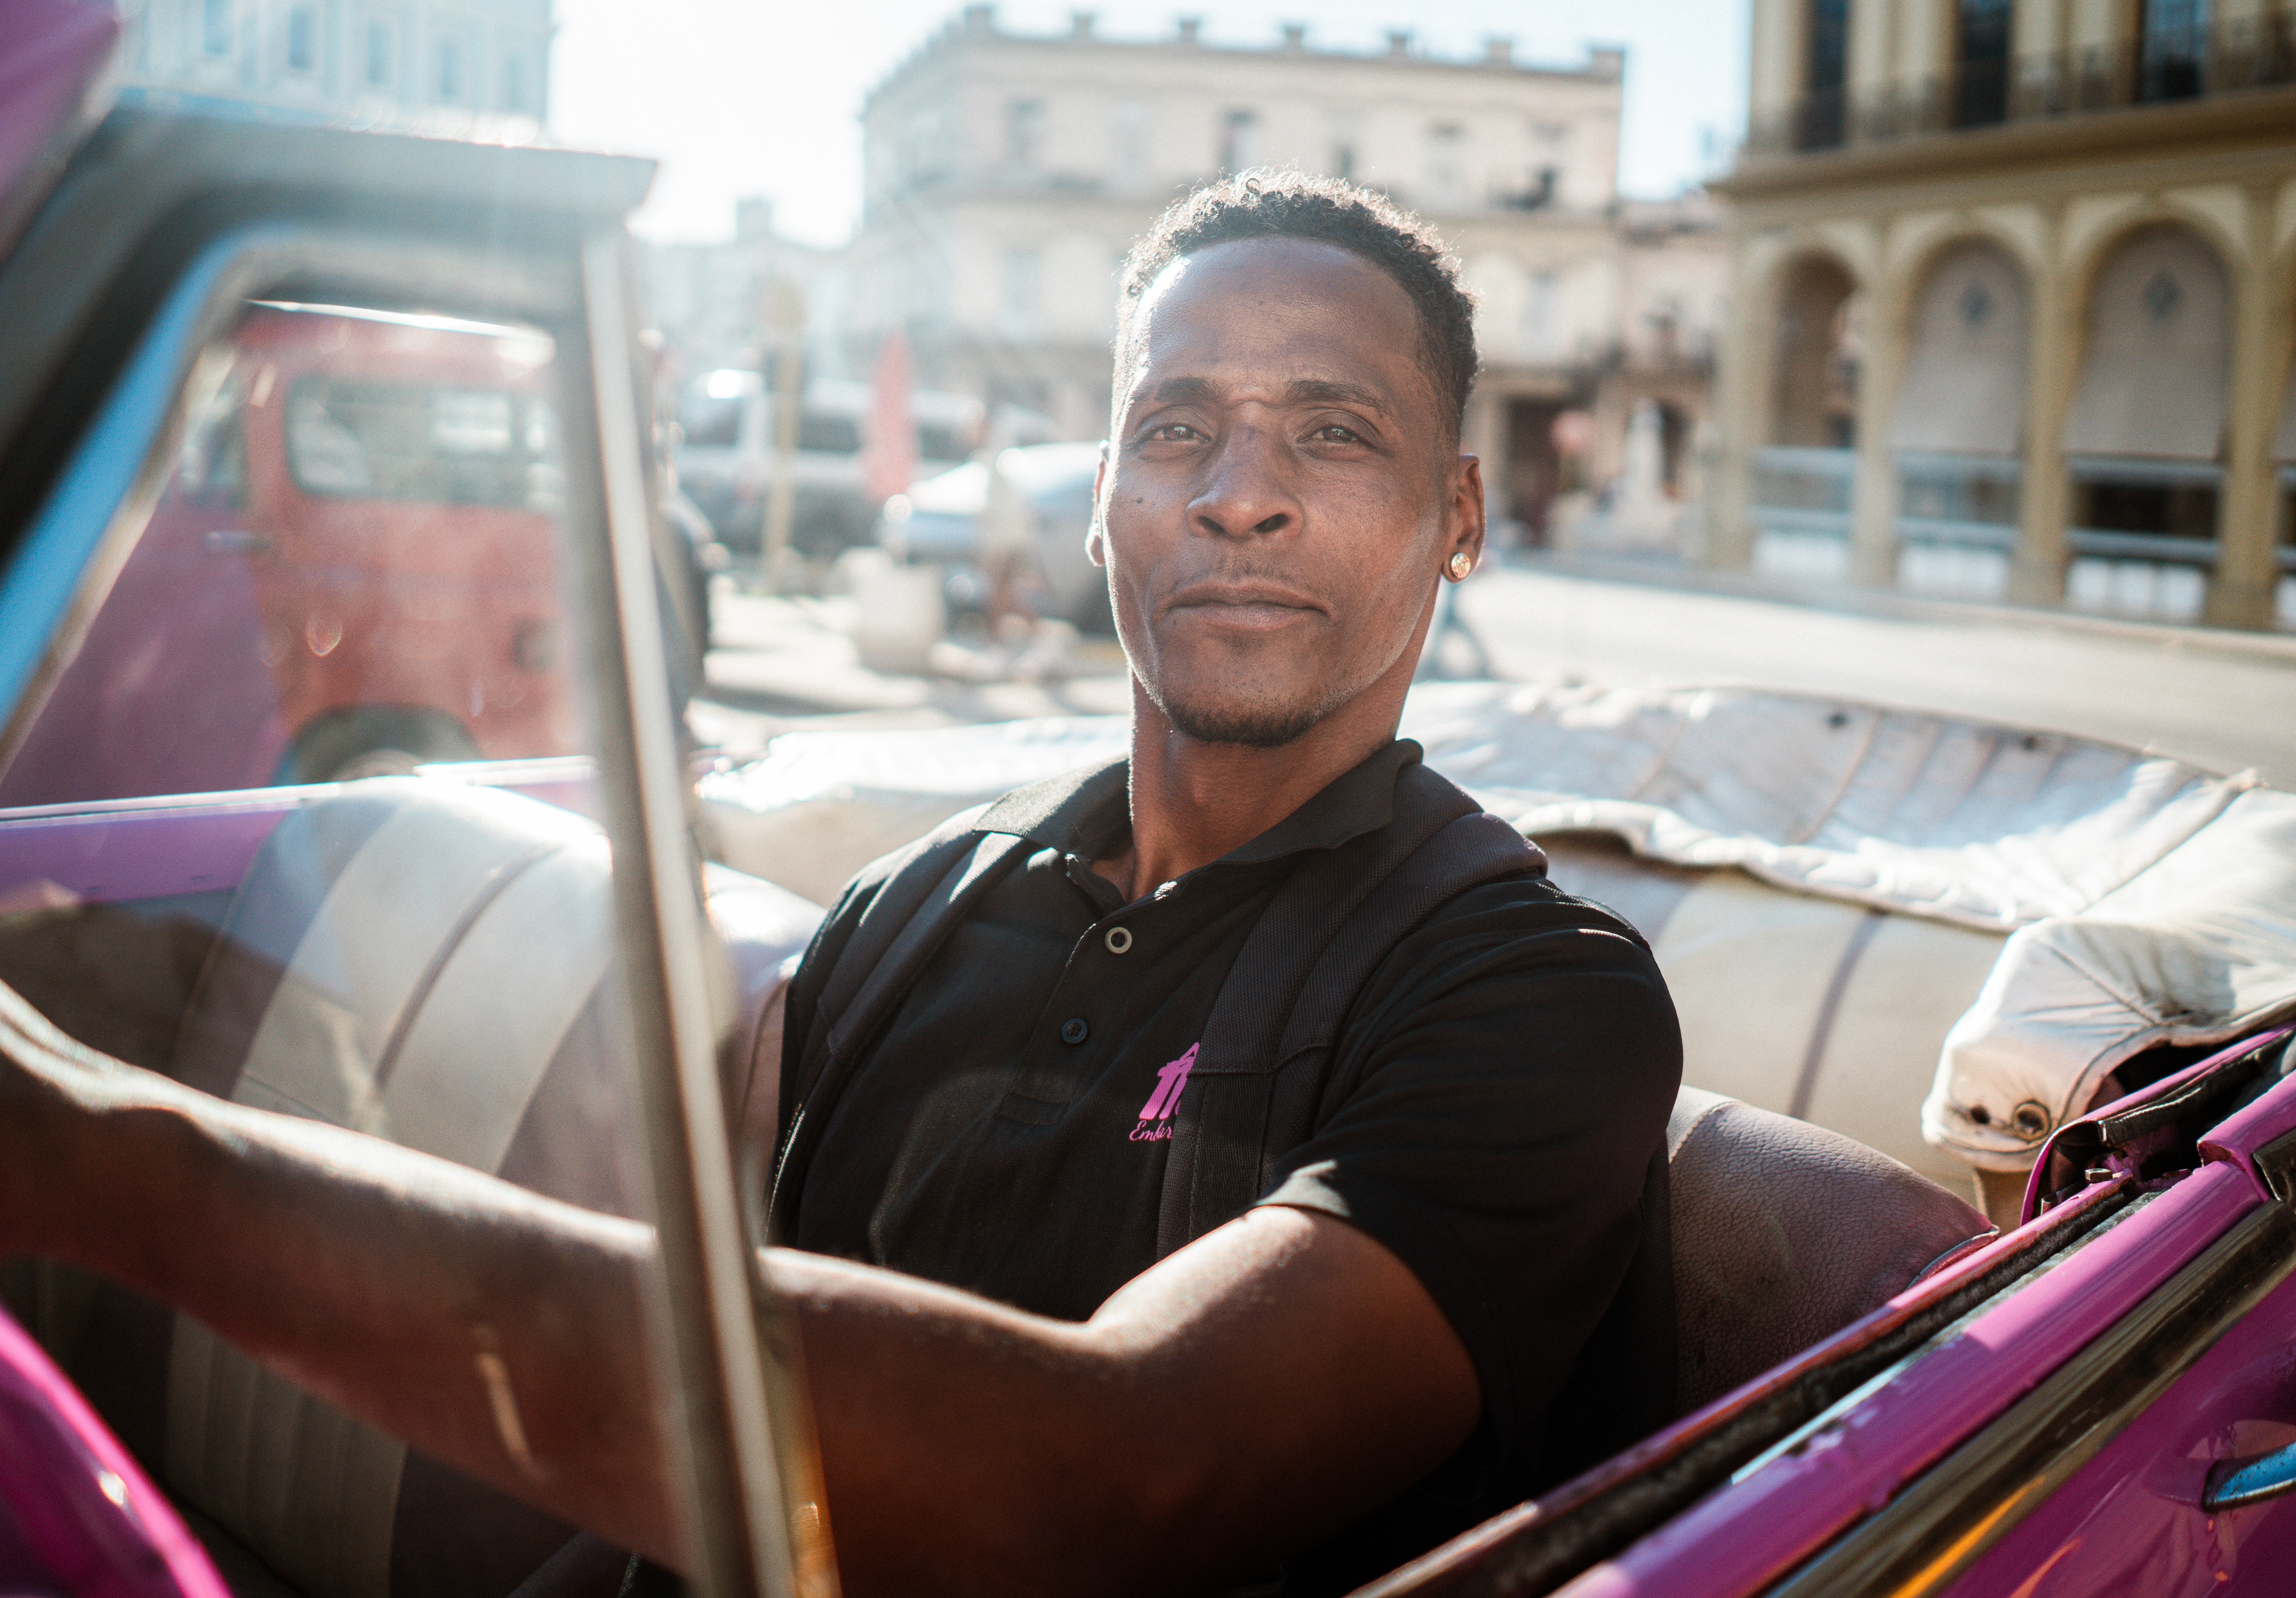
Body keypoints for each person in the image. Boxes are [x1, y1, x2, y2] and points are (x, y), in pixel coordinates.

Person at [0, 173, 1681, 1597]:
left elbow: (1122, 1471)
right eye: (1177, 428)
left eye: (1334, 432)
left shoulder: (1537, 997)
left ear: (1458, 515)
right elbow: (718, 1436)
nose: (1239, 494)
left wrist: (106, 1161)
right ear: (1098, 505)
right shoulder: (908, 905)